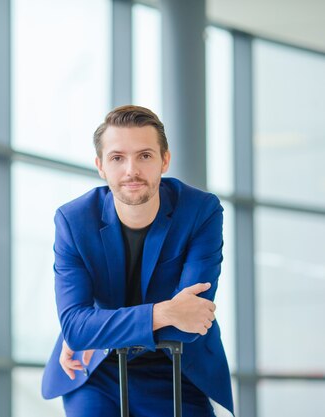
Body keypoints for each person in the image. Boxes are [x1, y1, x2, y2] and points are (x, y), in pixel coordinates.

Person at [41, 105, 233, 416]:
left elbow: (191, 323)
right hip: (96, 369)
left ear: (164, 161)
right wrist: (166, 311)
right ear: (101, 166)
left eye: (144, 155)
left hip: (176, 365)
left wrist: (98, 329)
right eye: (117, 158)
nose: (131, 170)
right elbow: (76, 329)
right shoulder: (74, 220)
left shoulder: (200, 211)